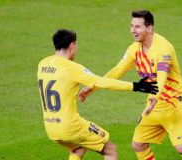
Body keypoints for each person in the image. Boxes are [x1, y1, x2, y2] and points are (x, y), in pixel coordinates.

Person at [79, 10, 182, 160]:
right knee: (138, 144)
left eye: (137, 27)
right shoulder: (134, 49)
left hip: (175, 103)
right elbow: (117, 71)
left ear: (149, 29)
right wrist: (93, 86)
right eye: (131, 26)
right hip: (154, 106)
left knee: (181, 147)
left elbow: (162, 76)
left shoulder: (163, 48)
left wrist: (155, 97)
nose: (132, 30)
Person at [37, 29, 158, 160]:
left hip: (50, 127)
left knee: (79, 148)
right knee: (110, 150)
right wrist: (136, 86)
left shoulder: (43, 64)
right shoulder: (73, 68)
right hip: (71, 126)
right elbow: (102, 82)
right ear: (72, 45)